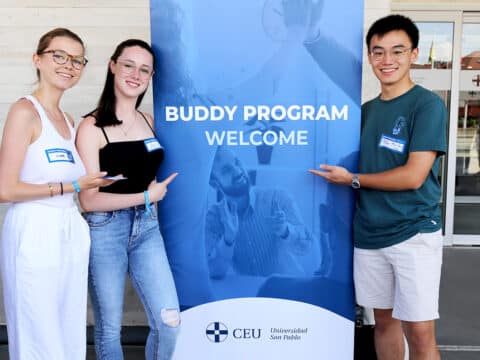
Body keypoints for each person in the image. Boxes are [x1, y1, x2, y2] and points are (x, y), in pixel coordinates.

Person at [309, 14, 447, 360]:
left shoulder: (427, 104)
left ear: (414, 54)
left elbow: (414, 175)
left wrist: (352, 180)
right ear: (369, 57)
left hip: (413, 234)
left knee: (419, 331)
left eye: (397, 51)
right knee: (383, 324)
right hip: (369, 236)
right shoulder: (365, 112)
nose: (388, 61)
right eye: (378, 52)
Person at [0, 28, 113, 359]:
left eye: (77, 60)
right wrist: (72, 186)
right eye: (59, 56)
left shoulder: (70, 121)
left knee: (68, 326)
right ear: (38, 59)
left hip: (69, 231)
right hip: (34, 232)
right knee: (39, 330)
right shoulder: (25, 112)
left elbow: (79, 179)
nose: (69, 65)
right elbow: (5, 189)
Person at [76, 39, 180, 360]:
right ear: (112, 66)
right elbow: (88, 201)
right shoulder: (91, 127)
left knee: (170, 322)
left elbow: (146, 167)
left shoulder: (148, 121)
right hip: (105, 229)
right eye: (129, 65)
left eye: (144, 70)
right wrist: (148, 195)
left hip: (147, 228)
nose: (136, 74)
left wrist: (148, 199)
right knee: (110, 329)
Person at [206, 146, 320, 278]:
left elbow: (307, 247)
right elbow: (213, 271)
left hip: (288, 290)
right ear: (215, 184)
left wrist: (285, 231)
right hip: (249, 293)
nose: (237, 171)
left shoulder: (278, 198)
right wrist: (228, 239)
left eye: (237, 162)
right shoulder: (214, 217)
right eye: (226, 170)